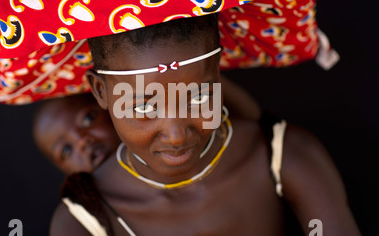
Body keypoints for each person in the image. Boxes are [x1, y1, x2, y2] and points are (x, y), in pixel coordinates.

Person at [48, 14, 369, 236]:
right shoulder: (84, 221)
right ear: (100, 92)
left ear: (218, 70)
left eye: (198, 97)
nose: (175, 134)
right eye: (144, 107)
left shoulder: (283, 155)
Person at [32, 75, 261, 175]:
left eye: (88, 119)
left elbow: (255, 122)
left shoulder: (174, 150)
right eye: (66, 150)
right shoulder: (88, 217)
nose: (83, 141)